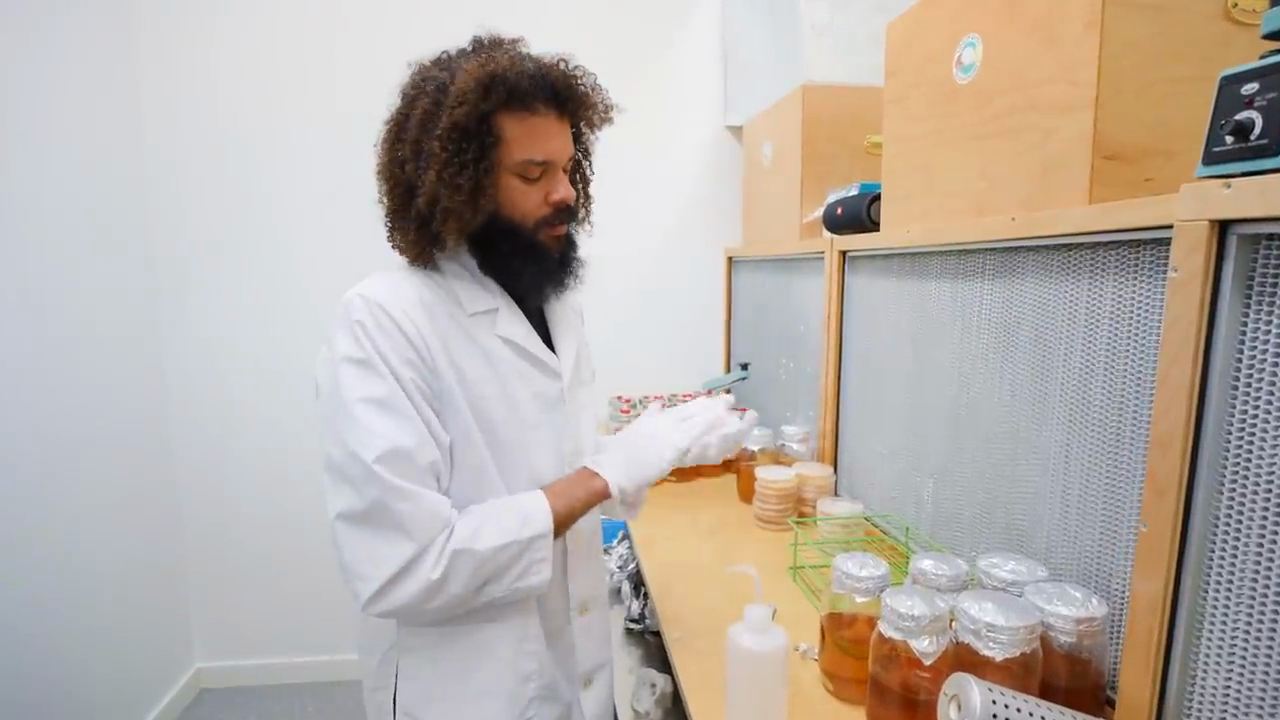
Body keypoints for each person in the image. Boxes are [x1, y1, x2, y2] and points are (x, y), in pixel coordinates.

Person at [315, 34, 755, 720]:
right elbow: (404, 567)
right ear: (459, 184)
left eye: (569, 166)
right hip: (472, 690)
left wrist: (640, 458)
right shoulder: (383, 323)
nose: (566, 193)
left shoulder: (554, 302)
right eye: (532, 174)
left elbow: (552, 468)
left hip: (577, 664)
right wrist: (606, 474)